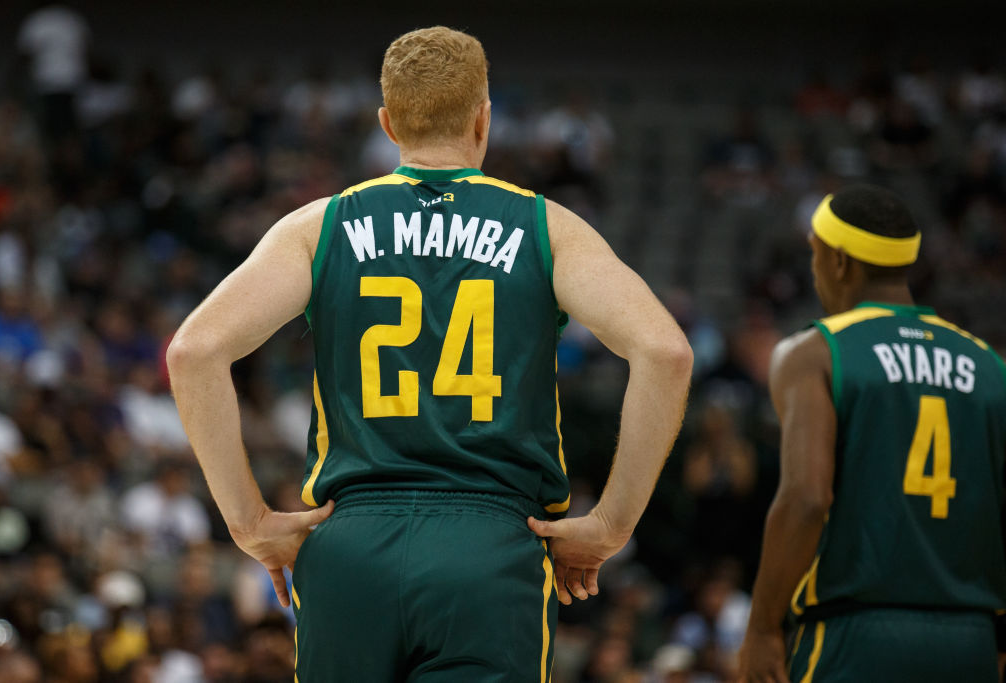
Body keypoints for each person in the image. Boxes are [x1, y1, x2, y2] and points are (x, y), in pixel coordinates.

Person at [167, 26, 692, 682]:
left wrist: (249, 522)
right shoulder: (545, 226)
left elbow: (193, 351)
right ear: (484, 118)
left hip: (349, 544)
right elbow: (666, 351)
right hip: (491, 545)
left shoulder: (317, 226)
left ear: (388, 122)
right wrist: (612, 522)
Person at [738, 185, 1006, 682]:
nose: (813, 270)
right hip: (971, 639)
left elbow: (807, 499)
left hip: (854, 634)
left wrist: (762, 629)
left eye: (815, 255)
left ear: (839, 262)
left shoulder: (816, 352)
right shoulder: (991, 365)